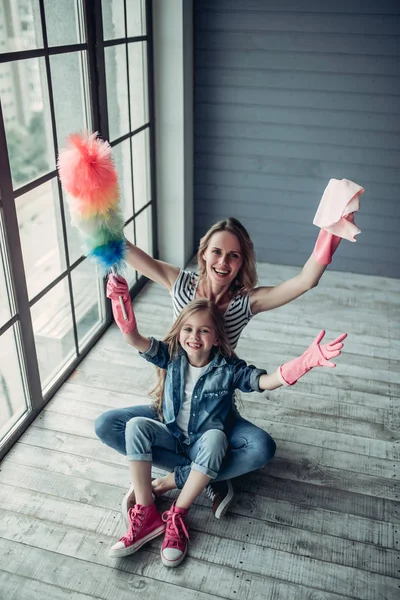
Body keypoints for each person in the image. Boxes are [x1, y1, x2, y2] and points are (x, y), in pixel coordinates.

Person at [95, 215, 349, 519]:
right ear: (203, 253)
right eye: (216, 251)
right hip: (173, 402)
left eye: (233, 255)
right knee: (108, 425)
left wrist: (331, 231)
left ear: (242, 262)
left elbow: (306, 280)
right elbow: (128, 251)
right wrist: (101, 217)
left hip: (215, 406)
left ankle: (176, 479)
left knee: (260, 448)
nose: (223, 262)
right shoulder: (180, 283)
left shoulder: (246, 302)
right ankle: (209, 472)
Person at [106, 296, 346, 567]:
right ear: (179, 331)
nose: (194, 336)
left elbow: (264, 381)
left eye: (204, 330)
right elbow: (136, 340)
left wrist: (301, 364)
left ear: (217, 338)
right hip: (173, 437)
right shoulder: (170, 355)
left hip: (206, 446)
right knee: (135, 424)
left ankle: (177, 511)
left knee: (217, 437)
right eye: (188, 328)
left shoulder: (229, 369)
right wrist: (126, 320)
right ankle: (146, 511)